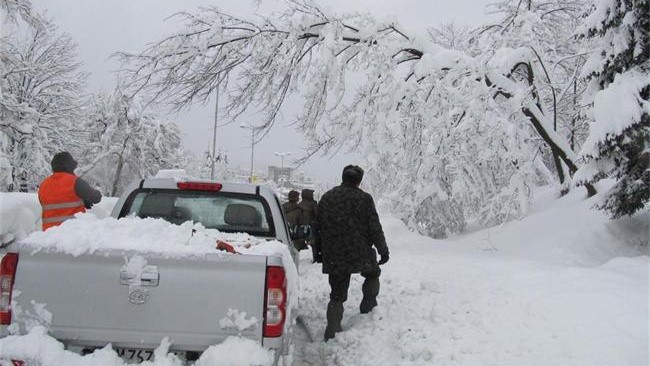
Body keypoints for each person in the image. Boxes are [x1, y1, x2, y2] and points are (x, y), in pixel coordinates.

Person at [315, 165, 389, 341]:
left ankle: (332, 329)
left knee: (337, 294)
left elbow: (317, 227)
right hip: (361, 251)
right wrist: (382, 250)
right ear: (359, 181)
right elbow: (374, 227)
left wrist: (319, 252)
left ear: (343, 177)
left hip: (334, 252)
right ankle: (368, 306)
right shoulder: (364, 199)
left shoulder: (327, 197)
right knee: (372, 273)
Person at [38, 152, 102, 231]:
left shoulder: (43, 184)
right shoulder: (75, 182)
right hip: (71, 234)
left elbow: (54, 202)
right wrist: (86, 196)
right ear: (70, 166)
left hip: (48, 235)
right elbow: (96, 198)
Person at [299, 188, 319, 261]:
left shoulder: (300, 204)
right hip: (311, 226)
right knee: (314, 244)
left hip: (301, 226)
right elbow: (317, 214)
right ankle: (316, 258)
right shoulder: (312, 204)